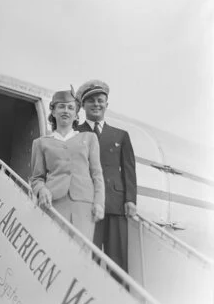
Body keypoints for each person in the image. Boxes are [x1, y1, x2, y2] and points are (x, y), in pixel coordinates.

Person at [76, 80, 137, 275]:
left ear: (106, 105)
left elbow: (129, 170)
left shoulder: (121, 135)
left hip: (115, 204)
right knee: (86, 259)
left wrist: (130, 200)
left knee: (118, 263)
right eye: (91, 100)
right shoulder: (75, 133)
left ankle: (119, 303)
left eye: (100, 100)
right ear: (83, 106)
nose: (96, 104)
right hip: (86, 204)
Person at [30, 88, 105, 242]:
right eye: (61, 106)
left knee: (81, 253)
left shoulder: (89, 138)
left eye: (71, 108)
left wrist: (99, 203)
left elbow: (97, 174)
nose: (66, 111)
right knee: (54, 250)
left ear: (76, 114)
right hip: (53, 203)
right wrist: (42, 189)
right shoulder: (41, 143)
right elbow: (36, 178)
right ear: (53, 111)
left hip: (83, 205)